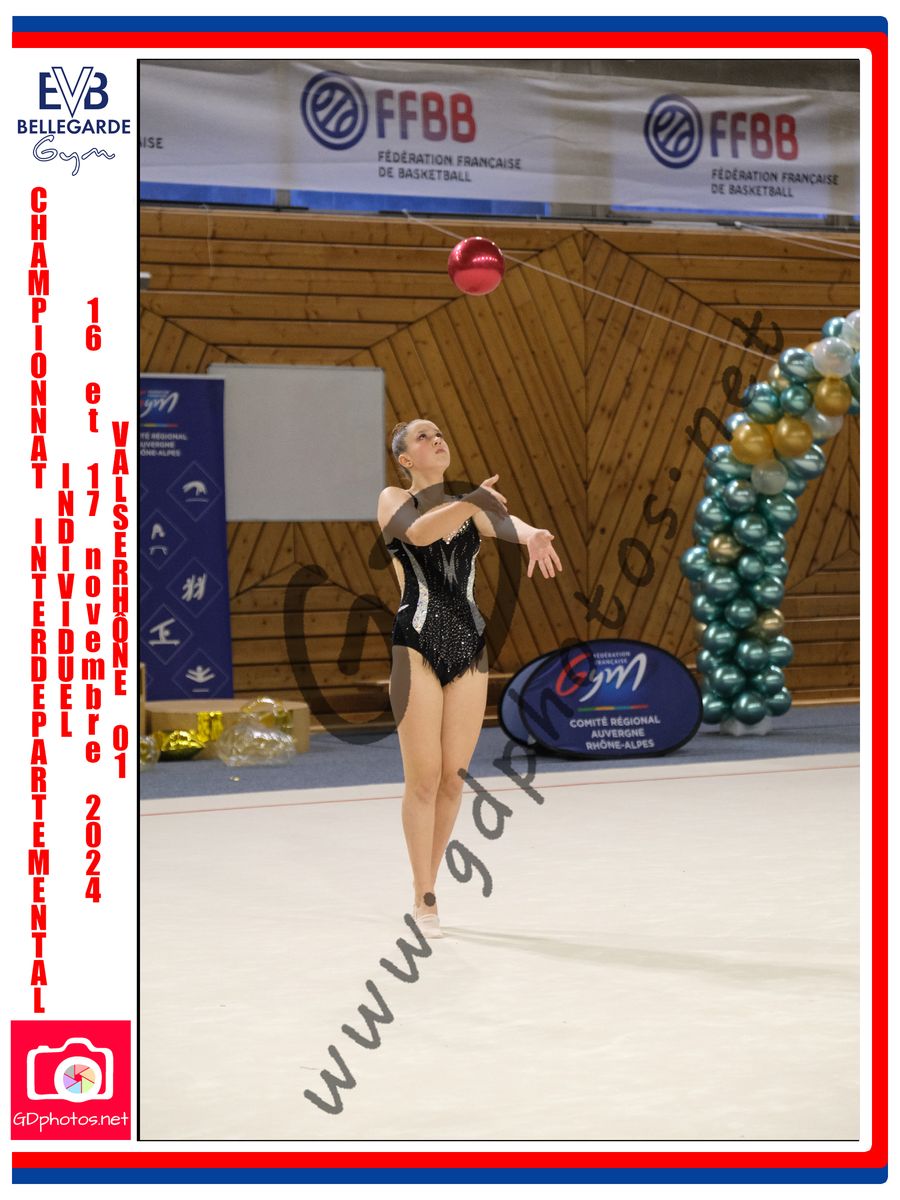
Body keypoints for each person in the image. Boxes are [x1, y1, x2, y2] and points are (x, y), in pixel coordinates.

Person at [377, 417, 563, 938]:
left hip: (468, 646)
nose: (436, 439)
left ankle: (429, 884)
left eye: (439, 433)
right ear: (406, 459)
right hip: (415, 643)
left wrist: (531, 534)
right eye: (423, 436)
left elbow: (505, 523)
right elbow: (419, 533)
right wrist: (474, 501)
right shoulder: (393, 498)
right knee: (424, 778)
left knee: (453, 779)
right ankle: (424, 896)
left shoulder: (469, 505)